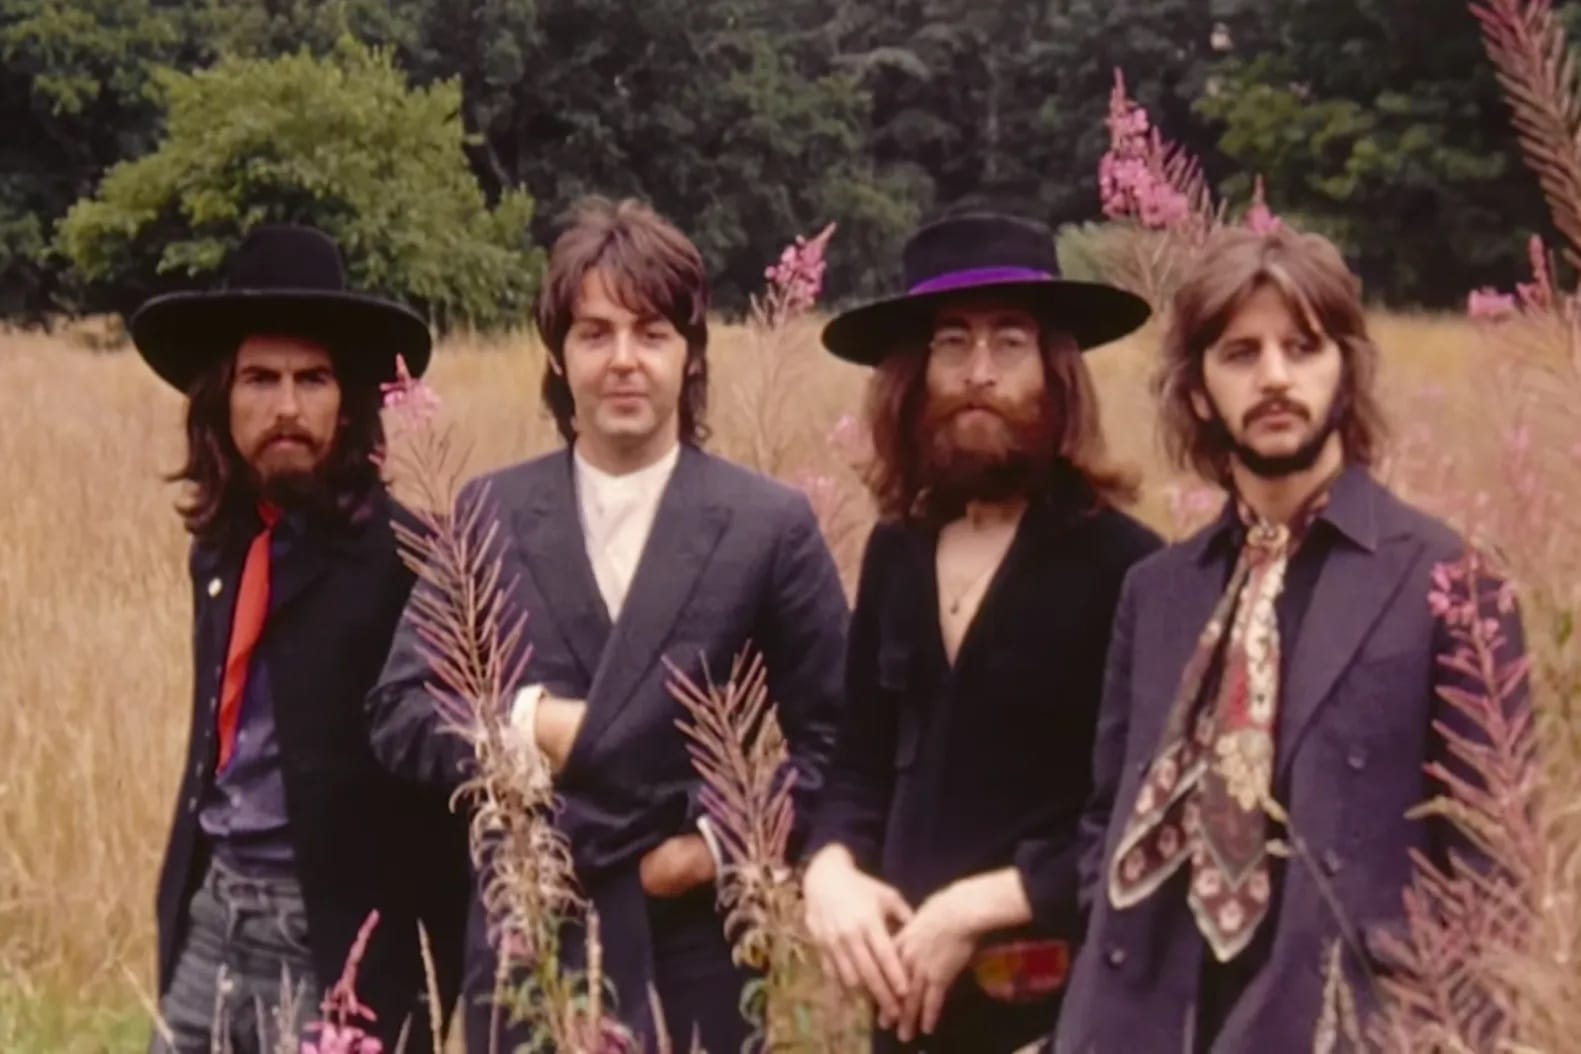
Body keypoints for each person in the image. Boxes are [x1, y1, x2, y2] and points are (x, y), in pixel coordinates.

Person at [366, 197, 850, 1051]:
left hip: (695, 956)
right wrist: (531, 726)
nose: (624, 361)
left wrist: (707, 850)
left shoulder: (767, 525)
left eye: (651, 333)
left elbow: (841, 746)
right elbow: (399, 712)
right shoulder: (489, 513)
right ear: (557, 356)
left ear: (690, 351)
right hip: (527, 947)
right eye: (595, 334)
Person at [1054, 226, 1528, 1053]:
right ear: (1198, 393)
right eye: (1239, 353)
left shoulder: (1444, 576)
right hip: (1155, 1025)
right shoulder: (1156, 591)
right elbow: (1107, 814)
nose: (1273, 376)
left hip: (1347, 1026)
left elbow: (1494, 863)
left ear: (1344, 372)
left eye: (1301, 347)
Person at [801, 212, 1162, 1051]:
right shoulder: (896, 552)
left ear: (1056, 372)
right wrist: (828, 869)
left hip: (1059, 1011)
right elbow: (858, 762)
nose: (978, 372)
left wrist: (979, 906)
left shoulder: (1130, 570)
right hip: (906, 1012)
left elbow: (1141, 822)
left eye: (1009, 341)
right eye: (952, 342)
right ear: (915, 374)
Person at [133, 225, 469, 1053]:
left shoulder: (414, 558)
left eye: (312, 379)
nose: (286, 407)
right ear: (220, 399)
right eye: (260, 378)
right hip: (215, 914)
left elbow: (448, 791)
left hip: (338, 940)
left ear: (348, 402)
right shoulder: (222, 550)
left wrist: (447, 975)